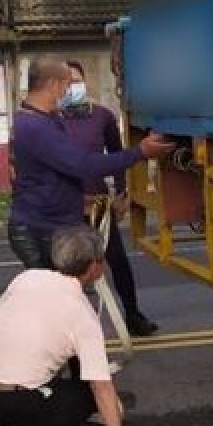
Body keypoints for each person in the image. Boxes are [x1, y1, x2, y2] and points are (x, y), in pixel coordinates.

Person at [0, 226, 163, 426]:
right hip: (8, 401)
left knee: (47, 377)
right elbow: (101, 386)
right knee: (86, 398)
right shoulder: (82, 314)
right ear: (94, 265)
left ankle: (11, 414)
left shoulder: (26, 278)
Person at [8, 55, 173, 270]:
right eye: (68, 84)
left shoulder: (43, 119)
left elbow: (51, 175)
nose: (69, 91)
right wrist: (140, 152)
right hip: (41, 231)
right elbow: (84, 165)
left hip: (51, 224)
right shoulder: (35, 126)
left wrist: (80, 198)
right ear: (52, 84)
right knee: (58, 295)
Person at [60, 60, 158, 337]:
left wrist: (122, 192)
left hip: (99, 206)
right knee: (67, 267)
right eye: (66, 82)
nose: (72, 87)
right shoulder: (51, 121)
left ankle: (133, 315)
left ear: (85, 82)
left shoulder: (101, 116)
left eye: (76, 81)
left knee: (116, 260)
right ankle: (69, 327)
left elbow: (117, 155)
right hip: (66, 206)